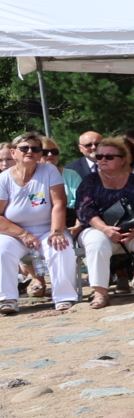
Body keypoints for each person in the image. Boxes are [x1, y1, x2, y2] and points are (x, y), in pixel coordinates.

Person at [73, 136, 134, 303]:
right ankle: (100, 292)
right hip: (98, 229)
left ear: (123, 160)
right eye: (99, 156)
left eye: (109, 156)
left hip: (133, 229)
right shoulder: (90, 180)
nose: (103, 160)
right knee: (96, 243)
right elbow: (85, 210)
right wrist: (105, 229)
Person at [0, 132, 77, 314]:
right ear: (14, 153)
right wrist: (23, 234)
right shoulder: (3, 179)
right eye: (24, 148)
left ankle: (64, 296)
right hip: (15, 232)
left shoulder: (49, 171)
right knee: (2, 249)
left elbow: (59, 203)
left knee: (61, 246)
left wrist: (57, 231)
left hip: (47, 228)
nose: (30, 151)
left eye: (35, 149)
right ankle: (7, 298)